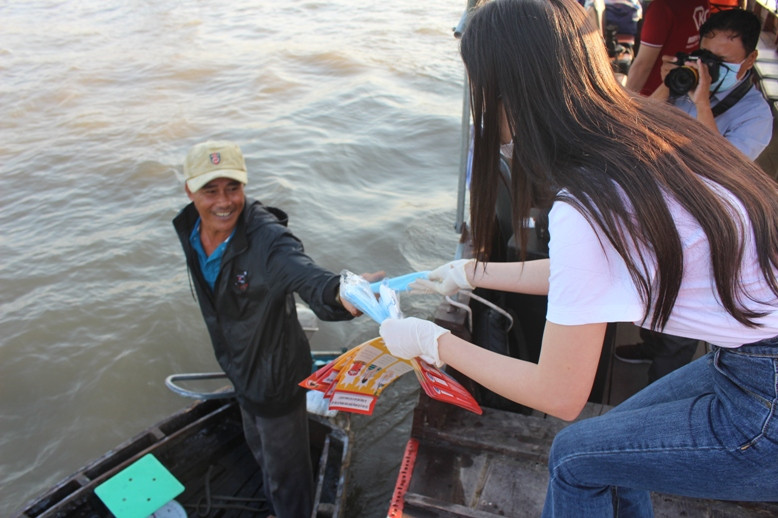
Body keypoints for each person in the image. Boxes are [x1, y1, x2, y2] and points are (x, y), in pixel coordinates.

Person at [378, 0, 778, 515]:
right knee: (606, 451)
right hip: (751, 353)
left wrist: (432, 342)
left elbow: (560, 393)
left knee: (574, 457)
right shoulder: (649, 127)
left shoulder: (587, 203)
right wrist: (471, 272)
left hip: (763, 391)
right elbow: (587, 270)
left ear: (509, 88)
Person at [173, 140, 369, 518]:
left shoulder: (266, 239)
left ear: (245, 186)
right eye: (210, 190)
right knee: (259, 450)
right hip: (239, 368)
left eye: (233, 188)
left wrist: (343, 293)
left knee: (287, 477)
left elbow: (305, 274)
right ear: (190, 191)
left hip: (277, 380)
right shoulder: (191, 228)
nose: (224, 201)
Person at [650, 8, 773, 160]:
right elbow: (637, 123)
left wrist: (703, 105)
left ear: (750, 59)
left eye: (722, 60)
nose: (710, 65)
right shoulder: (689, 78)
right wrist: (669, 84)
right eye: (706, 55)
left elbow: (723, 166)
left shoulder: (756, 115)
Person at [625, 0, 710, 96]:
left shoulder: (661, 7)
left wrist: (623, 105)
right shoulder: (701, 2)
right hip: (685, 85)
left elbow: (642, 66)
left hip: (654, 95)